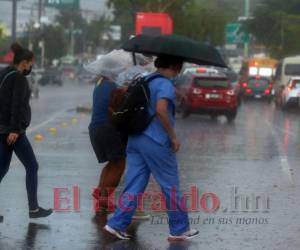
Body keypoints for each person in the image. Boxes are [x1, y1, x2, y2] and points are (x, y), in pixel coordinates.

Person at [104, 55, 200, 241]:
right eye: (179, 67)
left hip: (135, 139)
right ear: (175, 66)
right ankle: (179, 228)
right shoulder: (164, 84)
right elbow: (161, 109)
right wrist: (172, 136)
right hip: (156, 141)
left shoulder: (145, 79)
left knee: (135, 183)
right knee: (170, 185)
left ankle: (116, 224)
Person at [88, 54, 149, 220]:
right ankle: (102, 199)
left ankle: (102, 200)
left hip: (96, 129)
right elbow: (113, 108)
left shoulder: (100, 83)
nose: (120, 70)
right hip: (108, 129)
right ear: (111, 69)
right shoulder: (111, 85)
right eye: (117, 68)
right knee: (119, 165)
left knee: (112, 164)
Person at [0, 43, 52, 221]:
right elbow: (16, 104)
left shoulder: (4, 74)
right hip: (13, 132)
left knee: (2, 169)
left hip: (2, 129)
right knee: (32, 166)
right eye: (31, 64)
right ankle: (34, 209)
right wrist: (15, 129)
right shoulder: (20, 78)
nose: (31, 67)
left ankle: (34, 209)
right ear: (23, 63)